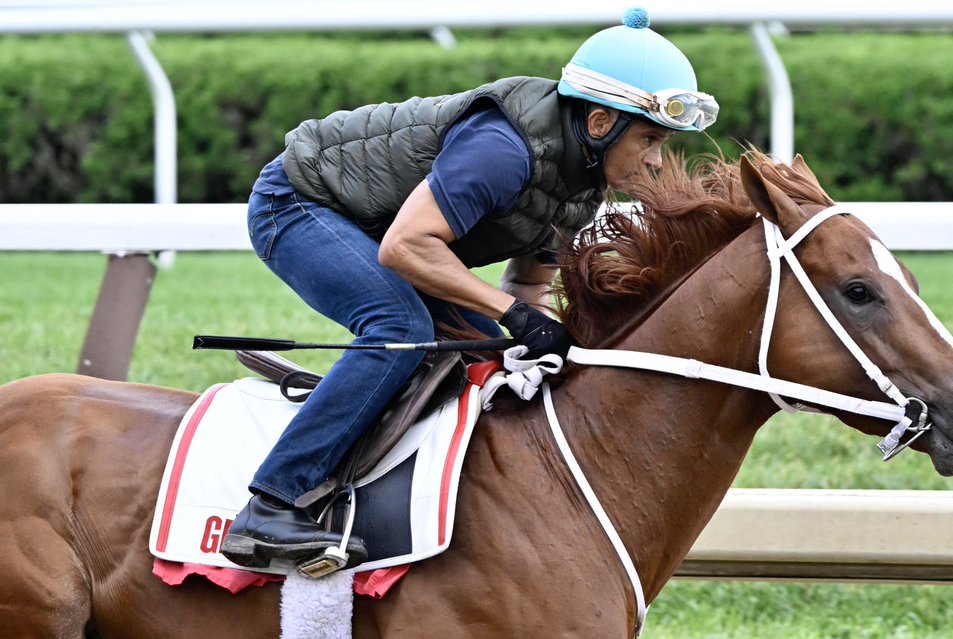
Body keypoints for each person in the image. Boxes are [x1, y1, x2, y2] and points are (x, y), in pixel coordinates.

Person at [220, 7, 719, 571]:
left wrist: (535, 338)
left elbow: (527, 287)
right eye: (650, 140)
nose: (656, 160)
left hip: (385, 231)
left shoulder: (585, 187)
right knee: (399, 327)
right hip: (299, 203)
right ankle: (271, 506)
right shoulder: (502, 151)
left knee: (489, 352)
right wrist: (513, 314)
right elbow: (405, 249)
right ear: (601, 124)